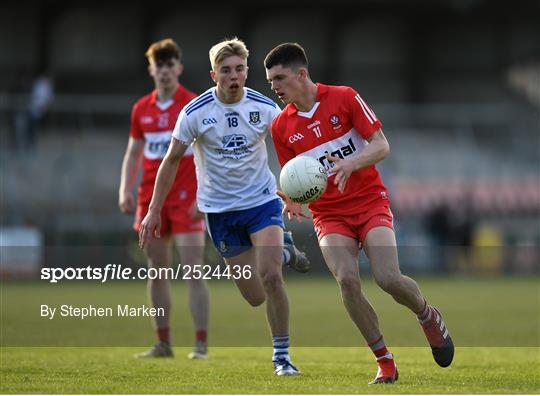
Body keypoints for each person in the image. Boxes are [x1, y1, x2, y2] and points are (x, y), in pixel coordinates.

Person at [264, 42, 454, 384]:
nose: (274, 87)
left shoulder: (345, 97)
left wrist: (351, 163)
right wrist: (293, 201)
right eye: (270, 82)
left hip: (369, 201)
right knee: (348, 282)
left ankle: (427, 315)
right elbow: (293, 177)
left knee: (387, 278)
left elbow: (382, 145)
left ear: (301, 74)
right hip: (329, 215)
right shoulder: (280, 127)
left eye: (279, 77)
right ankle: (384, 362)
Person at [139, 37, 309, 376]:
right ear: (214, 74)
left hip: (262, 202)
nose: (234, 76)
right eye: (226, 70)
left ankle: (282, 358)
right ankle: (286, 251)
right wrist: (154, 209)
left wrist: (292, 190)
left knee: (272, 278)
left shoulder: (264, 108)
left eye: (240, 69)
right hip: (219, 212)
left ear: (247, 72)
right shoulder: (195, 113)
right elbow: (171, 161)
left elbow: (290, 145)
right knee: (255, 295)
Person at [119, 38, 209, 360]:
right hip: (149, 199)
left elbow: (207, 153)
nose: (165, 70)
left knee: (193, 270)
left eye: (171, 64)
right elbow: (133, 153)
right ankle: (163, 343)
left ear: (179, 68)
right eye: (160, 65)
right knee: (156, 271)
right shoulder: (141, 109)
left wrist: (204, 196)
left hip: (186, 199)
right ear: (151, 69)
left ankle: (200, 344)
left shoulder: (193, 105)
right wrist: (124, 189)